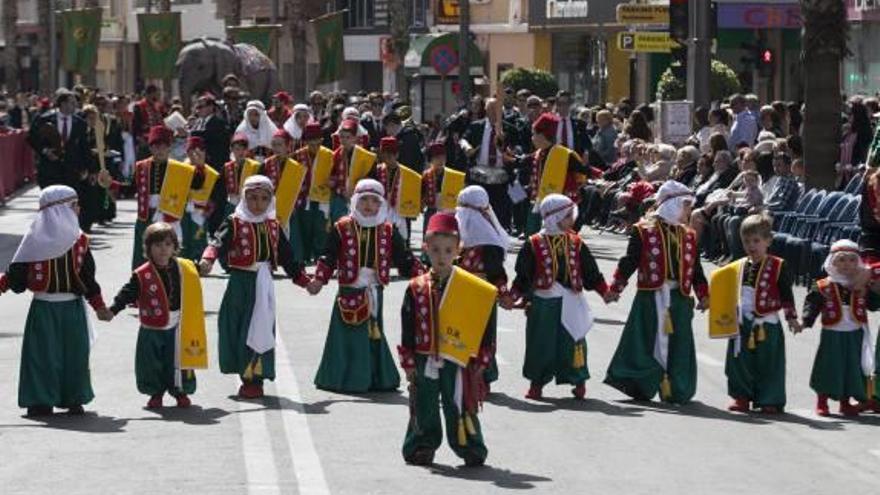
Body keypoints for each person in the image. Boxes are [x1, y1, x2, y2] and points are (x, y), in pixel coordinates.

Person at [0, 186, 111, 416]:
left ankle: (73, 396)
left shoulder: (80, 241)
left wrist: (98, 305)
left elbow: (88, 277)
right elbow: (16, 275)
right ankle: (40, 399)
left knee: (74, 355)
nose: (78, 209)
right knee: (42, 356)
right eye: (74, 205)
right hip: (44, 308)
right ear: (59, 211)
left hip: (72, 308)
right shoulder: (33, 242)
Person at [200, 175, 311, 398]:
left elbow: (288, 256)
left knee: (258, 327)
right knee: (234, 327)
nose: (257, 203)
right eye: (252, 198)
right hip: (239, 283)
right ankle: (239, 369)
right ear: (244, 197)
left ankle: (254, 378)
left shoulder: (273, 225)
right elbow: (218, 241)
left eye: (263, 198)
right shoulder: (234, 221)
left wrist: (304, 280)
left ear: (270, 200)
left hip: (262, 284)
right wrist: (208, 259)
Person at [307, 179, 423, 393]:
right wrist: (318, 280)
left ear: (381, 204)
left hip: (374, 290)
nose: (369, 205)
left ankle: (375, 378)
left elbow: (404, 258)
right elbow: (328, 256)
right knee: (348, 335)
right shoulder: (342, 227)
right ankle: (344, 379)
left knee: (372, 334)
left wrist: (424, 276)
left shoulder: (388, 230)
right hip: (349, 290)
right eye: (364, 200)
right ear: (355, 202)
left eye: (374, 200)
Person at [399, 212, 492, 467]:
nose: (442, 256)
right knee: (424, 401)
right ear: (425, 248)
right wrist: (407, 358)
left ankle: (469, 445)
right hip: (424, 354)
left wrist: (483, 355)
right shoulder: (416, 287)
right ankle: (422, 444)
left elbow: (484, 322)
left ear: (458, 250)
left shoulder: (470, 287)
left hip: (458, 357)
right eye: (436, 250)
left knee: (459, 402)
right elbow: (407, 324)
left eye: (448, 250)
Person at [604, 181, 709, 404]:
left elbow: (695, 268)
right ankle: (640, 384)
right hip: (650, 298)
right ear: (672, 204)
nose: (689, 211)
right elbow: (629, 262)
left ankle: (676, 388)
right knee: (645, 340)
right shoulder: (643, 231)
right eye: (686, 205)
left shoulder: (688, 235)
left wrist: (703, 294)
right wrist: (615, 288)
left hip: (679, 300)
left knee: (679, 345)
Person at [505, 194, 609, 399]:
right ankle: (537, 384)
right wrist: (512, 296)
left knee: (574, 341)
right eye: (568, 216)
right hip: (544, 302)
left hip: (572, 301)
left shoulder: (576, 242)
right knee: (540, 344)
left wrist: (605, 291)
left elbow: (590, 272)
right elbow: (523, 276)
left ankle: (579, 381)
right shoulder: (533, 243)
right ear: (554, 217)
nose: (572, 220)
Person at [106, 223, 204, 409]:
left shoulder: (184, 267)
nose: (163, 249)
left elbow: (199, 269)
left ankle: (180, 392)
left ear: (175, 247)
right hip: (152, 327)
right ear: (148, 248)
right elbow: (128, 293)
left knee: (177, 361)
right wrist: (113, 309)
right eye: (157, 245)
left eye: (168, 244)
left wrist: (206, 264)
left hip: (177, 325)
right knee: (151, 363)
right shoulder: (142, 274)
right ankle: (155, 393)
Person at [721, 214, 800, 414]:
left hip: (767, 324)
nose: (751, 246)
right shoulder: (738, 266)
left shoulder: (779, 266)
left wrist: (791, 317)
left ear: (768, 241)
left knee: (770, 364)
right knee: (739, 362)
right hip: (742, 322)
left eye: (756, 241)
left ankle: (769, 398)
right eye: (746, 241)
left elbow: (786, 294)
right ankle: (741, 397)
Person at [800, 240, 878, 417]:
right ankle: (822, 401)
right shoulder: (823, 285)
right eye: (841, 260)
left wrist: (871, 291)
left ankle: (845, 402)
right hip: (832, 334)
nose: (847, 265)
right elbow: (812, 303)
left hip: (855, 333)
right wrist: (806, 320)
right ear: (832, 262)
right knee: (828, 367)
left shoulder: (861, 284)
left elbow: (873, 305)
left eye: (852, 260)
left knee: (851, 368)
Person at [454, 186, 510, 386]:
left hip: (473, 294)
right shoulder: (489, 239)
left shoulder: (456, 234)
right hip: (475, 293)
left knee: (474, 333)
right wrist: (504, 294)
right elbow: (497, 272)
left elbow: (496, 272)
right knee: (478, 334)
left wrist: (503, 294)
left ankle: (478, 374)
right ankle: (476, 374)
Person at [130, 125, 206, 269]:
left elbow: (197, 184)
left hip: (171, 214)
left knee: (171, 255)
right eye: (156, 146)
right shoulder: (142, 167)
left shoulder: (179, 168)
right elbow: (129, 186)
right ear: (150, 148)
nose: (159, 150)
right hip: (146, 216)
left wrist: (199, 166)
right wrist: (110, 183)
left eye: (163, 146)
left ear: (169, 148)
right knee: (143, 256)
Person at [514, 113, 592, 236]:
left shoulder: (565, 155)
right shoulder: (537, 154)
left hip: (560, 209)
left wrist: (602, 176)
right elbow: (519, 162)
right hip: (539, 205)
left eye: (534, 134)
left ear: (542, 135)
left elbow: (584, 170)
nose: (532, 138)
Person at [27, 88, 91, 190]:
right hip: (49, 169)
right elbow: (31, 137)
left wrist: (87, 168)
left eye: (76, 103)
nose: (76, 106)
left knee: (68, 202)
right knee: (50, 201)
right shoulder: (44, 118)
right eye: (72, 103)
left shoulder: (80, 123)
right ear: (63, 104)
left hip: (71, 170)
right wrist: (45, 150)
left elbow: (84, 146)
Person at [290, 122, 333, 264]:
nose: (313, 142)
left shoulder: (330, 155)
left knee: (321, 227)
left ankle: (321, 255)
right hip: (304, 197)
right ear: (305, 140)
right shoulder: (297, 155)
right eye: (310, 139)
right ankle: (306, 255)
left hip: (323, 197)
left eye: (316, 139)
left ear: (321, 139)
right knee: (306, 226)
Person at [132, 85, 166, 159]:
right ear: (149, 94)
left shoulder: (157, 106)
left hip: (157, 140)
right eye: (155, 95)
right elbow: (135, 126)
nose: (156, 98)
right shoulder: (139, 106)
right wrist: (139, 139)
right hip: (144, 141)